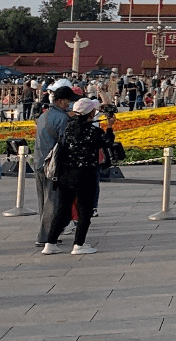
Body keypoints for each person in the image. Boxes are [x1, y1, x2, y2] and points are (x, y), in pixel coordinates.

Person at [42, 97, 114, 256]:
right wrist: (109, 126)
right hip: (85, 175)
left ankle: (50, 243)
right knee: (84, 210)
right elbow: (107, 142)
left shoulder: (68, 127)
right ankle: (79, 244)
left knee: (63, 209)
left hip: (65, 174)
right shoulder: (92, 131)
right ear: (91, 113)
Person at [33, 85, 74, 247]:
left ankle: (47, 232)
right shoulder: (62, 118)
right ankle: (45, 237)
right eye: (67, 101)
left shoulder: (44, 116)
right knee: (52, 201)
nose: (69, 104)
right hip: (52, 165)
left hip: (39, 161)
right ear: (58, 101)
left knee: (42, 200)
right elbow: (65, 143)